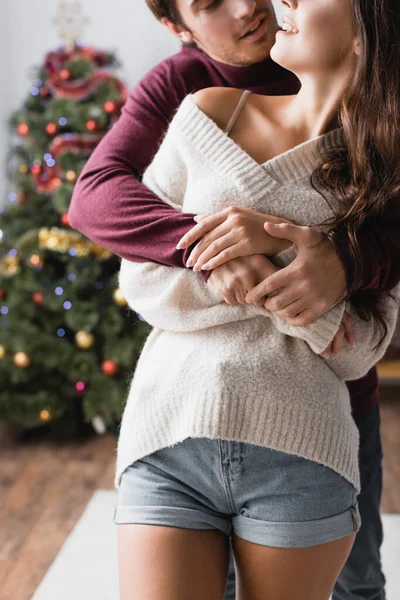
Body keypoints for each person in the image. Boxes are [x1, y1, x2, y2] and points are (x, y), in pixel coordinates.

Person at [68, 2, 400, 598]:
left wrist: (335, 261)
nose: (256, 5)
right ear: (179, 27)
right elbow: (114, 233)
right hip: (171, 428)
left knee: (360, 585)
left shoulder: (378, 166)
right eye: (210, 3)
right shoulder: (197, 101)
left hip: (311, 430)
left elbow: (360, 343)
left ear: (366, 34)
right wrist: (221, 256)